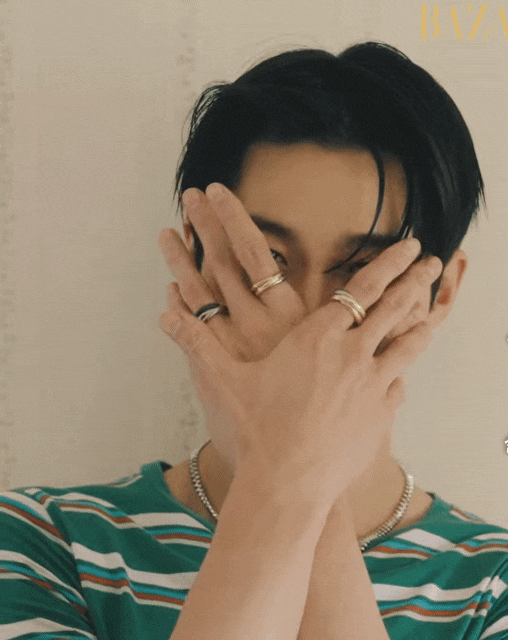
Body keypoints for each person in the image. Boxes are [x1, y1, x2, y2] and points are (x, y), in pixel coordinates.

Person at [1, 40, 506, 640]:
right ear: (198, 256)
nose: (310, 325)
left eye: (361, 270)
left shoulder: (493, 589)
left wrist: (289, 464)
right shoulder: (40, 544)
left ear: (441, 292)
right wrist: (289, 474)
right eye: (267, 258)